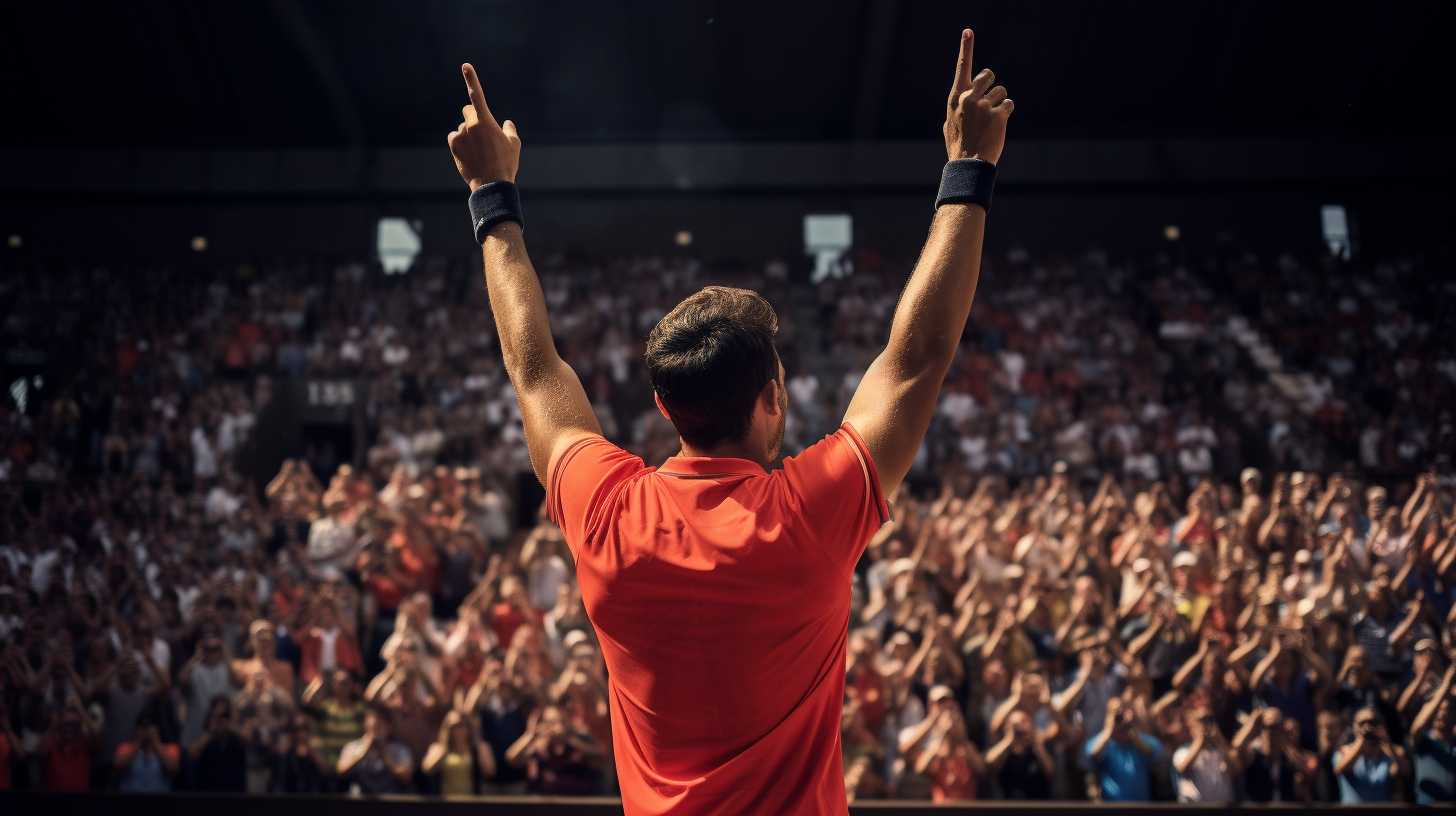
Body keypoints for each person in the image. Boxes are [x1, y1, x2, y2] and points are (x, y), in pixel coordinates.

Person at [444, 24, 1013, 814]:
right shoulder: (807, 515)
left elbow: (534, 367)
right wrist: (969, 167)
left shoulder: (608, 511)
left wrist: (490, 198)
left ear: (663, 408)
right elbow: (916, 358)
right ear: (771, 400)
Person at [1082, 696, 1164, 802]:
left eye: (1123, 712)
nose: (1120, 717)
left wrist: (1132, 731)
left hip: (1141, 807)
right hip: (1112, 808)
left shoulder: (1142, 740)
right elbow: (1091, 754)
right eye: (1116, 713)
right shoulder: (1102, 742)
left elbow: (1155, 753)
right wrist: (1110, 729)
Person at [1333, 706, 1408, 802]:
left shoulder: (1391, 752)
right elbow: (1339, 769)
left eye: (1373, 722)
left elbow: (1404, 771)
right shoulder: (1343, 751)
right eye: (1362, 723)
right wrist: (1362, 740)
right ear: (1353, 726)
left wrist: (1386, 741)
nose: (1367, 727)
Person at [336, 707, 414, 795]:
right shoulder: (353, 747)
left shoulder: (399, 749)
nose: (375, 733)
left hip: (390, 800)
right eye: (371, 728)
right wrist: (362, 753)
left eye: (379, 727)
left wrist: (385, 755)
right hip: (359, 800)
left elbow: (406, 777)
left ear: (389, 727)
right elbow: (341, 772)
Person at [1407, 665, 1455, 805]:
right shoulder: (1423, 740)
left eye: (1449, 709)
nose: (1443, 713)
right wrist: (1447, 684)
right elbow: (1417, 727)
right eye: (1439, 709)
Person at [422, 709, 495, 795]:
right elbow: (427, 769)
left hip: (471, 802)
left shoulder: (478, 749)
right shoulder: (437, 748)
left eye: (462, 726)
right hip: (445, 802)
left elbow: (490, 771)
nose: (458, 731)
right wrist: (444, 750)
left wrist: (478, 744)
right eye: (454, 727)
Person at [188, 696, 246, 792]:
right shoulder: (207, 737)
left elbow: (247, 740)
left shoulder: (236, 738)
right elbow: (191, 754)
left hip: (234, 794)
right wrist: (211, 731)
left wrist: (231, 726)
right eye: (216, 715)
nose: (221, 719)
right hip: (209, 793)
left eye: (225, 715)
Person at [113, 715, 180, 792]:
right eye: (143, 727)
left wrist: (155, 742)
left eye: (149, 727)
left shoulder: (170, 748)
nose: (146, 731)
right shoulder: (125, 748)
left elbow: (173, 769)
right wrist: (138, 742)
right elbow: (118, 767)